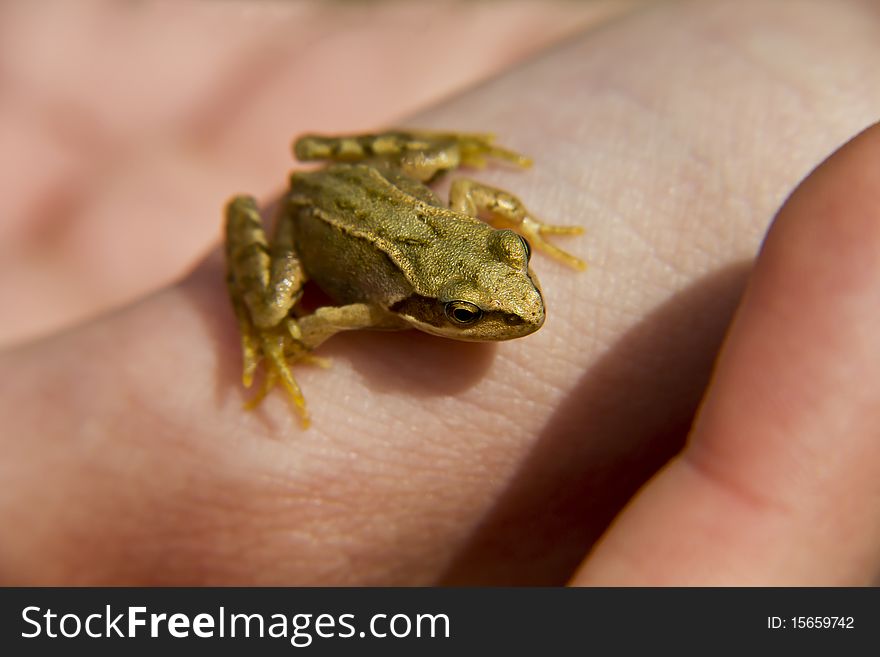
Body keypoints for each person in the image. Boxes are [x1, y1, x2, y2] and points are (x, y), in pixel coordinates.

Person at [1, 0, 878, 585]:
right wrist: (284, 340)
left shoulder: (481, 244)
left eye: (507, 277)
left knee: (439, 185)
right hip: (317, 229)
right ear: (427, 311)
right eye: (469, 316)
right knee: (275, 310)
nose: (514, 313)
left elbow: (485, 207)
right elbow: (337, 316)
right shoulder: (375, 306)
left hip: (387, 204)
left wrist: (521, 234)